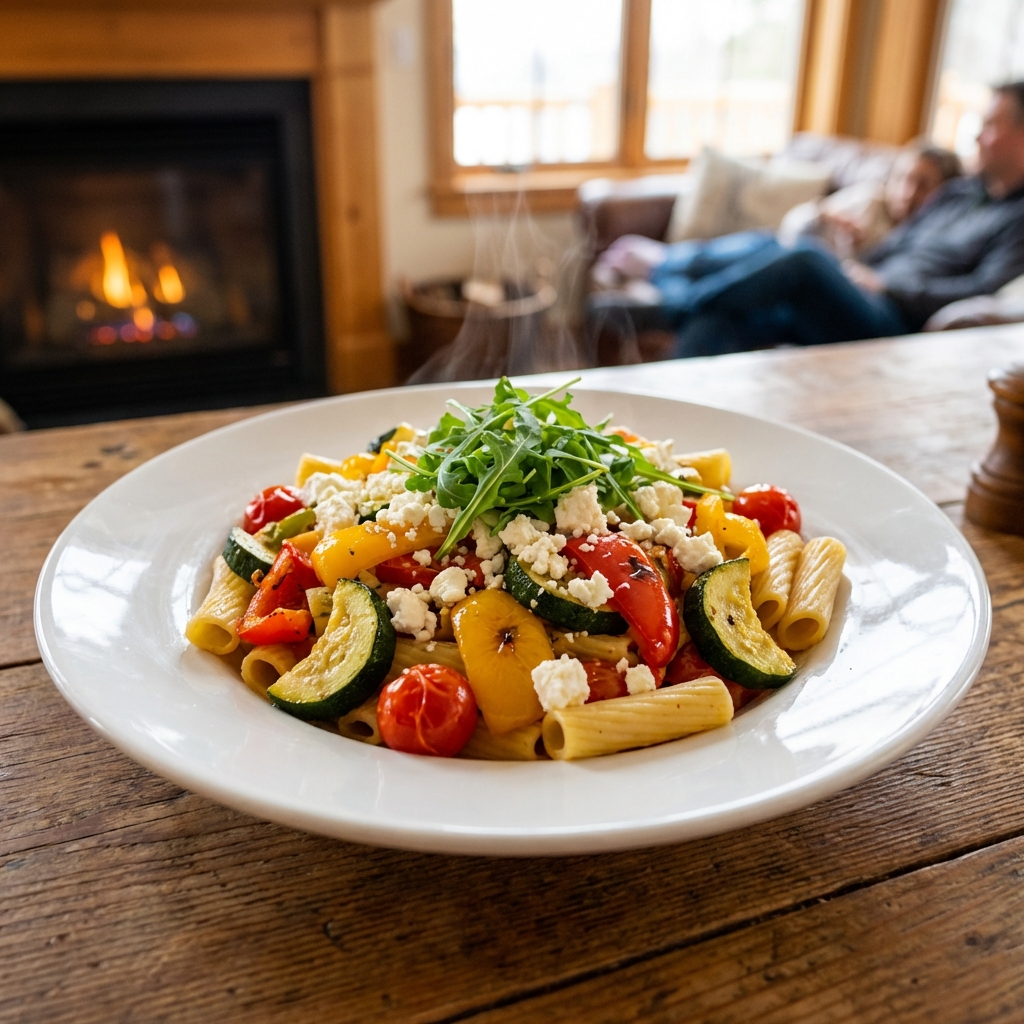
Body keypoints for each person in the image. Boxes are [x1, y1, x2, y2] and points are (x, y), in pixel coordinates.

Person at [658, 82, 1024, 356]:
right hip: (862, 296)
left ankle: (670, 307)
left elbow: (982, 290)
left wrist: (885, 286)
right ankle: (663, 430)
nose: (978, 135)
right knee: (731, 314)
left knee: (805, 258)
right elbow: (897, 246)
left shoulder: (1018, 219)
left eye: (992, 125)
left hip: (897, 323)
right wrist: (850, 267)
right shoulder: (957, 193)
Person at [778, 142, 962, 258]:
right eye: (901, 178)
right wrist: (822, 214)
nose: (907, 193)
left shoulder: (932, 236)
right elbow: (790, 227)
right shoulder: (869, 198)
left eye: (923, 185)